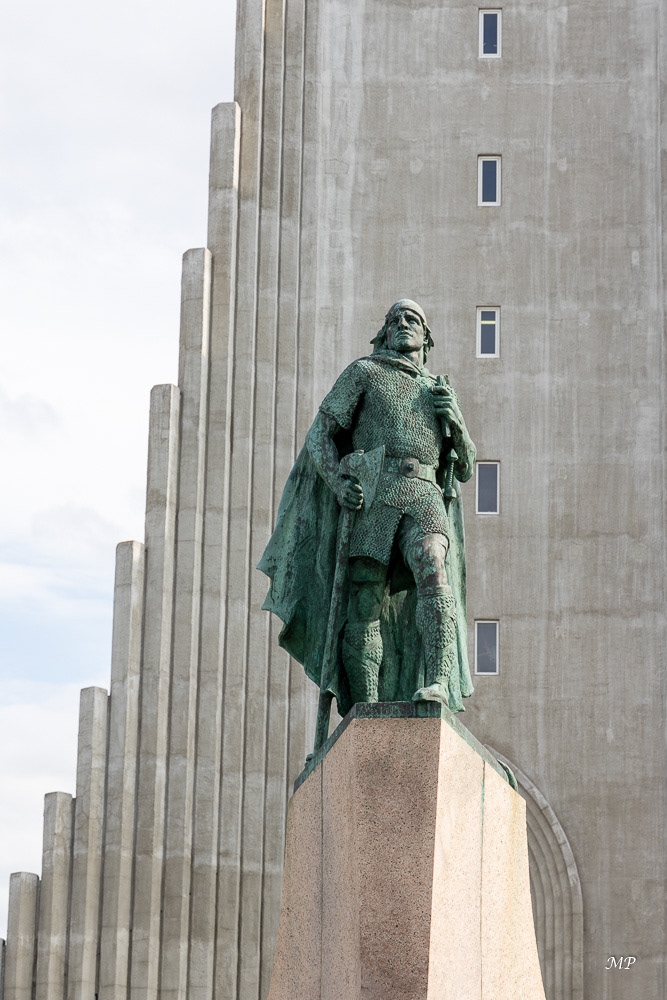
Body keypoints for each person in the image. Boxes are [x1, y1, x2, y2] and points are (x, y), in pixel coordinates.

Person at [258, 299, 477, 719]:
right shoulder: (364, 372)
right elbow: (321, 432)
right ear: (384, 333)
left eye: (412, 319)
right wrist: (338, 482)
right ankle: (366, 705)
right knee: (365, 599)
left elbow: (464, 467)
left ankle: (436, 682)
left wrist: (459, 424)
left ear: (425, 338)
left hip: (423, 490)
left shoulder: (439, 390)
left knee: (433, 563)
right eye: (394, 320)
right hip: (376, 492)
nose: (402, 324)